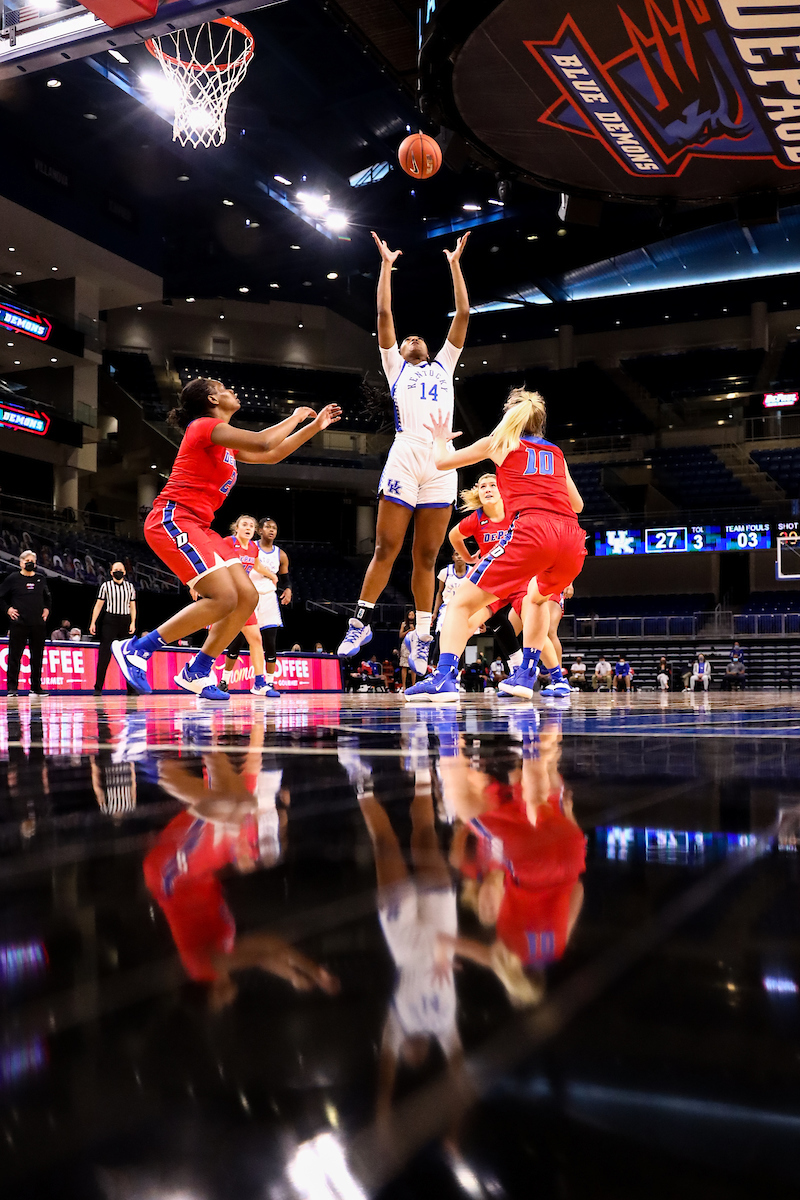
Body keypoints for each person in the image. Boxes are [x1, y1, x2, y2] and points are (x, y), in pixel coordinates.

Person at [111, 377, 340, 701]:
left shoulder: (226, 443)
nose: (232, 391)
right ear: (212, 399)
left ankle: (198, 670)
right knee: (222, 597)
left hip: (201, 526)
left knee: (246, 597)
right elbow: (263, 442)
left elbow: (272, 454)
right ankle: (137, 649)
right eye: (224, 388)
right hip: (173, 518)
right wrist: (295, 417)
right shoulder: (202, 426)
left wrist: (315, 427)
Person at [337, 230, 471, 678]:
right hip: (406, 453)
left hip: (442, 459)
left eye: (418, 337)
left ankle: (423, 636)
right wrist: (386, 267)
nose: (411, 338)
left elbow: (463, 313)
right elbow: (383, 313)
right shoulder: (395, 367)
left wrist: (455, 265)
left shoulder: (444, 365)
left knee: (427, 557)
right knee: (386, 547)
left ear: (430, 350)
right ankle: (360, 623)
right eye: (406, 338)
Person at [405, 388, 585, 702]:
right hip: (571, 537)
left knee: (460, 603)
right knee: (536, 598)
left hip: (533, 532)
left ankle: (444, 678)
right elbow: (578, 505)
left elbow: (443, 461)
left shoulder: (500, 442)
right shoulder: (556, 452)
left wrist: (439, 438)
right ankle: (526, 674)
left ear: (509, 415)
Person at [218, 516, 274, 698]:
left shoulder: (253, 548)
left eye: (251, 525)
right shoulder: (227, 542)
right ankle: (201, 677)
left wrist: (271, 575)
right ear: (236, 528)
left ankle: (259, 683)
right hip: (224, 597)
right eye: (244, 525)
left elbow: (257, 566)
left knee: (256, 639)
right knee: (216, 640)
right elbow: (210, 560)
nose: (248, 528)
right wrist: (196, 584)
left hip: (243, 600)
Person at [249, 517, 291, 699]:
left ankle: (270, 681)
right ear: (260, 530)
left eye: (274, 527)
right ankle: (225, 680)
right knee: (238, 640)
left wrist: (288, 589)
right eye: (268, 527)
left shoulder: (281, 554)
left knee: (270, 642)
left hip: (268, 597)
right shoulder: (250, 547)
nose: (272, 530)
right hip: (249, 595)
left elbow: (285, 578)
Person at [0, 550, 51, 698]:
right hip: (19, 623)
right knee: (14, 656)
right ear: (21, 562)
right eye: (27, 561)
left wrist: (47, 609)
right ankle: (12, 688)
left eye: (32, 561)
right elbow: (0, 596)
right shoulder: (13, 578)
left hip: (38, 624)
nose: (30, 563)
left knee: (37, 656)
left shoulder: (41, 579)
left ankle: (36, 687)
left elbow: (48, 598)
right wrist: (8, 609)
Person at [89, 560, 137, 695]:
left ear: (125, 572)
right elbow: (98, 605)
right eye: (116, 570)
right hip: (110, 620)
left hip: (125, 620)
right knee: (104, 654)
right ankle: (98, 688)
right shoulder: (106, 586)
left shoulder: (130, 587)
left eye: (120, 570)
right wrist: (93, 622)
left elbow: (132, 607)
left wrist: (133, 622)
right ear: (111, 572)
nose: (118, 572)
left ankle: (131, 688)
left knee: (127, 655)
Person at [431, 550, 469, 662]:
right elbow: (439, 593)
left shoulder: (473, 572)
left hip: (464, 610)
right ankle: (436, 667)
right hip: (446, 609)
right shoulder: (445, 572)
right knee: (441, 639)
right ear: (453, 557)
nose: (459, 557)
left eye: (461, 554)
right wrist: (434, 613)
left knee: (460, 643)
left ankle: (458, 671)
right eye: (456, 554)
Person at [399, 609, 416, 689]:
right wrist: (408, 630)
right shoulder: (404, 624)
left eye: (413, 615)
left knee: (413, 666)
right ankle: (404, 686)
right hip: (406, 644)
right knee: (404, 665)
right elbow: (401, 635)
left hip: (414, 645)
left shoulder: (418, 624)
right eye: (410, 615)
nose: (411, 616)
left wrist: (414, 629)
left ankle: (413, 685)